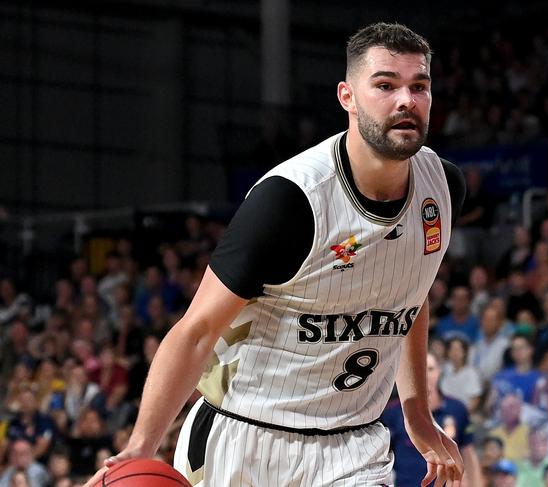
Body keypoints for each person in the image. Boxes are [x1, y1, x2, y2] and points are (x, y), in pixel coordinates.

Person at [84, 22, 465, 487]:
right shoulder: (290, 200)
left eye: (419, 86)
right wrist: (139, 448)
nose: (406, 99)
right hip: (245, 437)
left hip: (353, 445)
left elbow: (411, 291)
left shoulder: (443, 188)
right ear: (348, 96)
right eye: (385, 85)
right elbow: (197, 330)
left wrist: (417, 413)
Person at [382, 352, 482, 486]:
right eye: (419, 369)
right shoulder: (392, 412)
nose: (425, 375)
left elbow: (468, 453)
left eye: (430, 369)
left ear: (439, 371)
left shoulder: (457, 409)